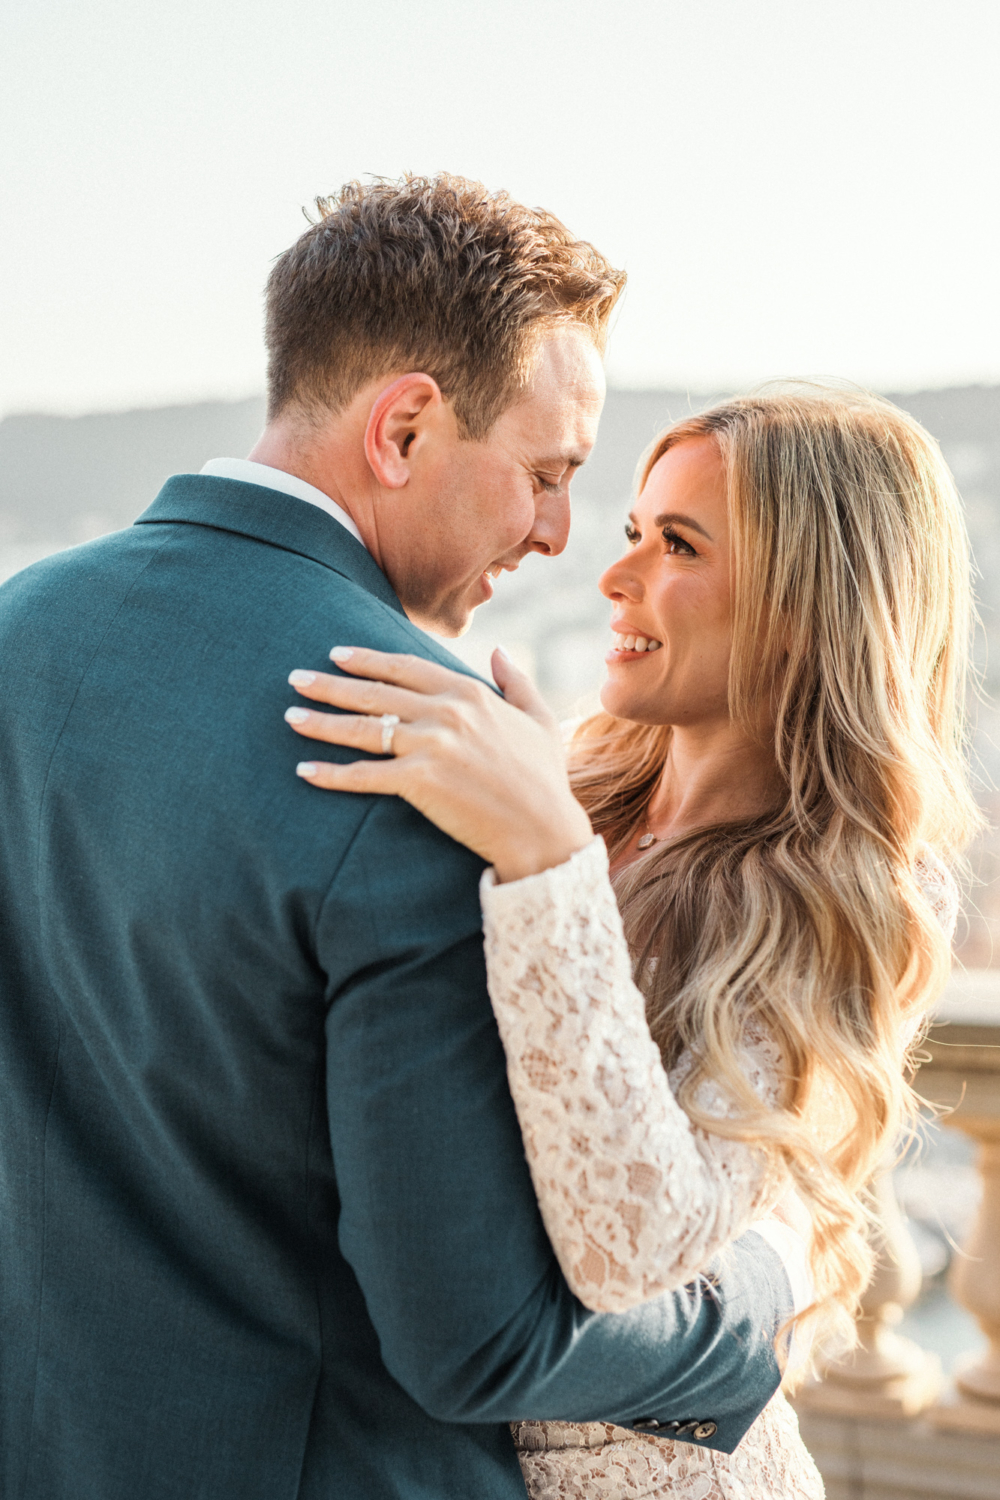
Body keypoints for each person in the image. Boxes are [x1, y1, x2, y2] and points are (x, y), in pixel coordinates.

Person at [0, 176, 802, 1500]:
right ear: (405, 428)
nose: (555, 534)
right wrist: (754, 1314)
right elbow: (474, 1340)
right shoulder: (423, 747)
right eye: (546, 476)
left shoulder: (22, 630)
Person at [284, 385, 977, 1498]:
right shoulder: (554, 785)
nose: (613, 576)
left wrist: (548, 867)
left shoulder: (857, 894)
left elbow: (633, 1251)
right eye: (632, 534)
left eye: (679, 545)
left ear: (805, 604)